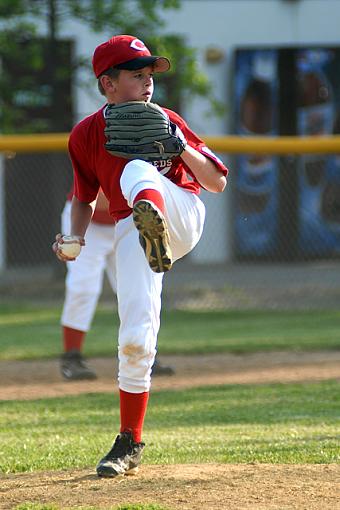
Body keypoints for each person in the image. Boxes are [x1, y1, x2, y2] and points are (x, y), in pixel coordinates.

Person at [53, 34, 228, 479]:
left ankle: (150, 211)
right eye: (136, 75)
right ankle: (129, 440)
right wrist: (74, 238)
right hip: (135, 228)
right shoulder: (86, 134)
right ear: (106, 84)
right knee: (134, 335)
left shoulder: (167, 119)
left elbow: (216, 182)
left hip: (181, 213)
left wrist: (179, 145)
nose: (148, 83)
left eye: (150, 75)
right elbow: (83, 196)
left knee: (136, 168)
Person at [60, 188, 175, 380]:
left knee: (139, 290)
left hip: (125, 221)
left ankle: (144, 353)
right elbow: (102, 200)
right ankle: (71, 357)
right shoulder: (97, 156)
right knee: (83, 289)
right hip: (86, 222)